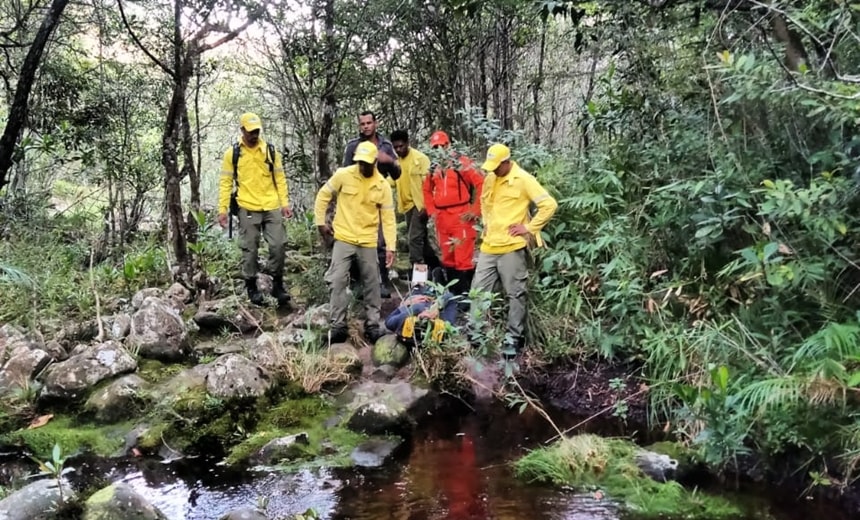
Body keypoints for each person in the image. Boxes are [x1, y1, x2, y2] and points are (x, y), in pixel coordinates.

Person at [471, 143, 558, 357]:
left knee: (515, 294)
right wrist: (486, 224)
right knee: (477, 291)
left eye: (496, 166)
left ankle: (513, 338)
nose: (492, 170)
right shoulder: (491, 177)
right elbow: (484, 202)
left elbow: (549, 205)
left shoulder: (523, 179)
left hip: (512, 247)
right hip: (489, 245)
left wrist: (528, 228)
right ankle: (476, 333)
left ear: (506, 162)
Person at [315, 141, 396, 344]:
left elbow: (388, 218)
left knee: (372, 284)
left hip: (368, 240)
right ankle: (338, 325)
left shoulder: (382, 185)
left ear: (375, 162)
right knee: (337, 280)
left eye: (367, 163)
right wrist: (320, 222)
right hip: (343, 237)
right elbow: (324, 195)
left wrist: (391, 247)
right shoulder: (344, 174)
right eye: (360, 162)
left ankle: (372, 325)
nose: (363, 166)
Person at [217, 112, 292, 307]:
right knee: (249, 249)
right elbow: (225, 182)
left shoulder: (270, 151)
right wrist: (222, 210)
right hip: (247, 206)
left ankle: (277, 283)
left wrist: (285, 204)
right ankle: (251, 286)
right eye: (250, 131)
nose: (254, 134)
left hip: (271, 204)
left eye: (257, 131)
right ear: (242, 130)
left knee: (278, 245)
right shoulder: (232, 154)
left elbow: (280, 179)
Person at [343, 111, 401, 298]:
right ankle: (359, 282)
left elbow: (398, 174)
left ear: (375, 124)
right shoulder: (353, 146)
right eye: (362, 124)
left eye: (369, 123)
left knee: (381, 242)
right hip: (357, 201)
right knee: (356, 242)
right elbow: (344, 174)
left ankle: (382, 282)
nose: (366, 126)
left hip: (379, 199)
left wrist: (388, 160)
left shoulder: (386, 146)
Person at [423, 130, 484, 297]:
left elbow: (481, 184)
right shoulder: (433, 167)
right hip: (442, 218)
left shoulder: (462, 163)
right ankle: (452, 294)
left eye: (442, 146)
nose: (439, 150)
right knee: (447, 255)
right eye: (435, 147)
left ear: (448, 145)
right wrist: (432, 211)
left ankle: (466, 295)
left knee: (463, 256)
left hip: (461, 214)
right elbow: (426, 190)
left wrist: (475, 210)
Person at [390, 129, 438, 274]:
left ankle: (419, 278)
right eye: (396, 147)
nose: (399, 149)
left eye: (401, 146)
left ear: (407, 143)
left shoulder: (420, 159)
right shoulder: (396, 162)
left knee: (414, 240)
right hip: (407, 206)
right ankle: (437, 267)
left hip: (420, 206)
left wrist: (427, 206)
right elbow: (392, 181)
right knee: (421, 240)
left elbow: (431, 183)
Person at [384, 268, 457, 346]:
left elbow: (388, 322)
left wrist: (405, 305)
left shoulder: (413, 311)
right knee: (436, 275)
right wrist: (437, 306)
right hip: (434, 297)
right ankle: (434, 276)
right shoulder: (441, 326)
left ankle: (426, 276)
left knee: (419, 279)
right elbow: (450, 297)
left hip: (415, 296)